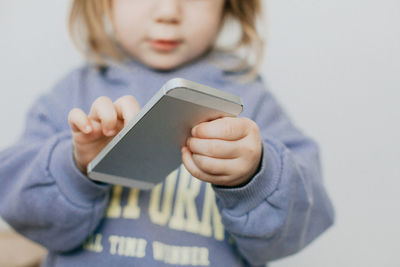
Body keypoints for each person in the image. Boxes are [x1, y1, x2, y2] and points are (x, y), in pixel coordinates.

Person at [0, 0, 334, 266]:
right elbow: (18, 207)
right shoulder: (71, 94)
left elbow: (304, 224)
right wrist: (77, 165)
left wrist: (256, 175)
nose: (168, 12)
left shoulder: (253, 102)